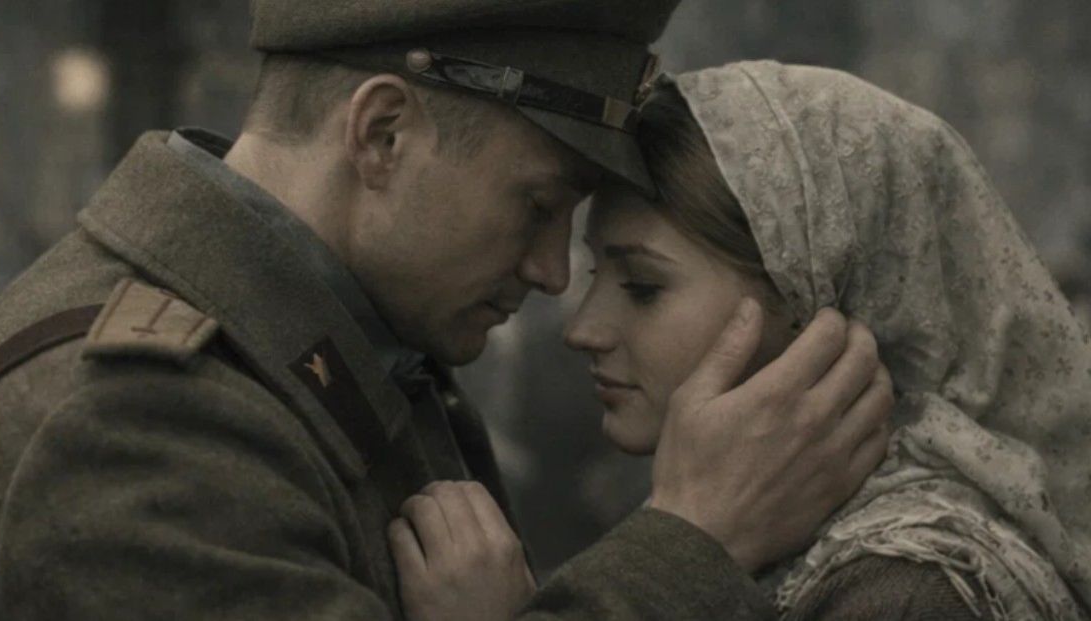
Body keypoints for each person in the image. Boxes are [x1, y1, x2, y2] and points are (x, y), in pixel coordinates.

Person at [0, 4, 893, 619]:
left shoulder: (322, 333)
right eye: (538, 206)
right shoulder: (141, 419)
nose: (552, 273)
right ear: (382, 135)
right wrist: (695, 541)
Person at [390, 60, 1091, 619]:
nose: (582, 329)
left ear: (816, 304)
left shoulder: (905, 589)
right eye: (598, 274)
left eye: (643, 286)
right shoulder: (789, 543)